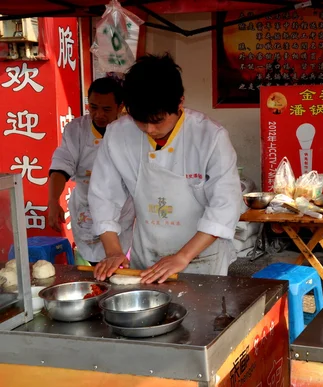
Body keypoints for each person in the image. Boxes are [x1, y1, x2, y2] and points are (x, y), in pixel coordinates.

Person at [88, 53, 241, 284]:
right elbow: (103, 196)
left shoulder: (210, 137)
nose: (149, 129)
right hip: (147, 257)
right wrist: (113, 251)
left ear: (180, 102)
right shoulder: (118, 135)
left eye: (158, 120)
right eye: (140, 120)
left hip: (201, 260)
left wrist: (182, 256)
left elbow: (225, 206)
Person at [48, 77, 135, 265]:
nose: (98, 115)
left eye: (106, 109)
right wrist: (53, 200)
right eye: (93, 107)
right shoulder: (76, 130)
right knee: (97, 261)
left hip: (122, 207)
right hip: (87, 205)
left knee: (118, 261)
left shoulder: (131, 130)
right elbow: (61, 165)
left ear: (120, 107)